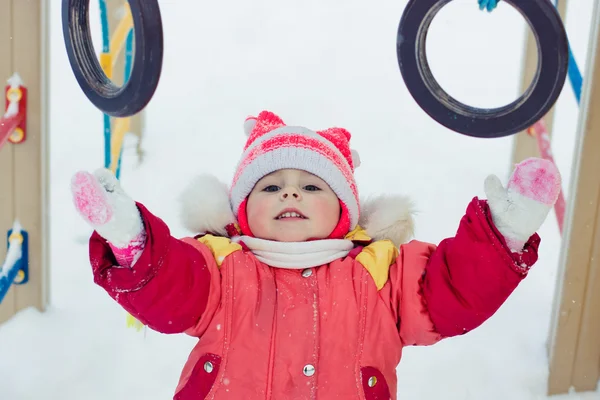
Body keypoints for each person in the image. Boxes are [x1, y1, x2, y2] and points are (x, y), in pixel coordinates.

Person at [71, 110, 561, 400]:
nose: (290, 196)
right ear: (242, 211)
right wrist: (130, 238)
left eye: (310, 185)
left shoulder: (379, 273)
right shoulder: (222, 266)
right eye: (271, 187)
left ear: (344, 214)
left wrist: (503, 235)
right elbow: (170, 288)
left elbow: (453, 291)